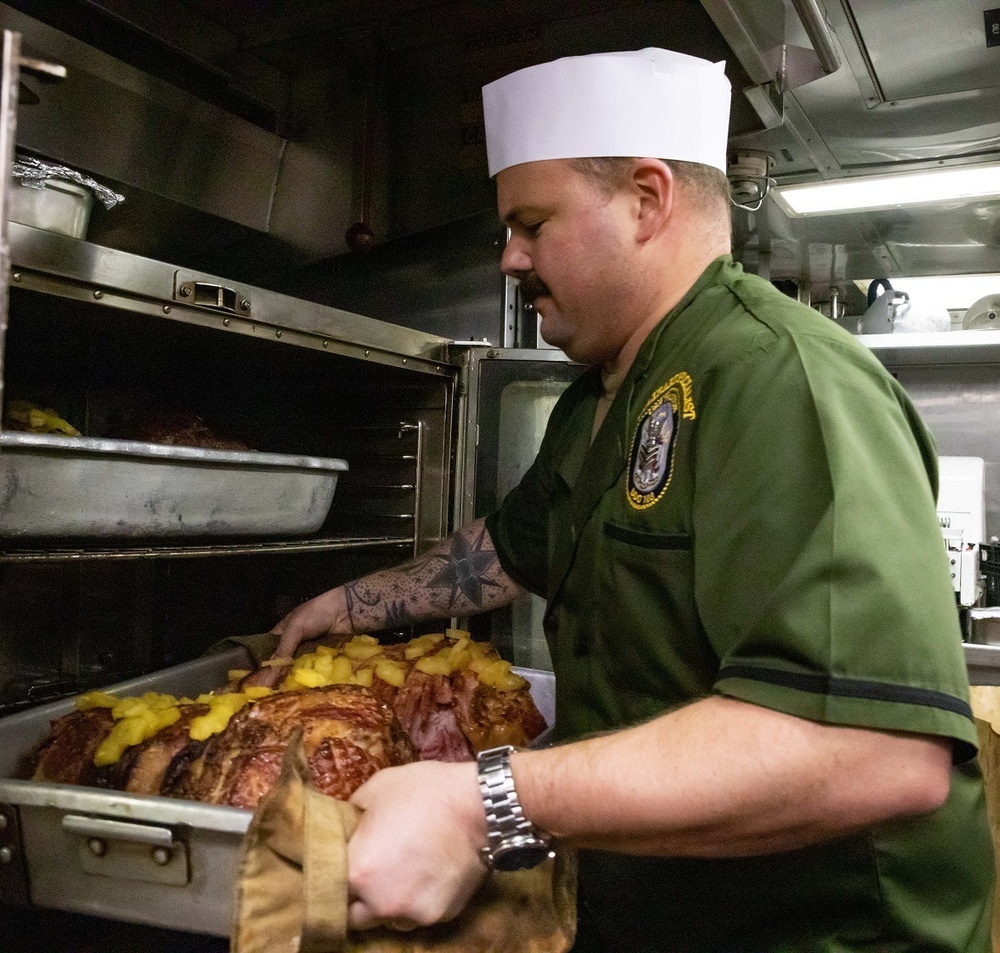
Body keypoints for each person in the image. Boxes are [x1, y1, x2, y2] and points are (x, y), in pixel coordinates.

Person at [261, 49, 995, 951]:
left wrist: (490, 803)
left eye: (531, 223)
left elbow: (877, 753)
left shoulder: (776, 378)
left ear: (648, 200)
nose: (508, 260)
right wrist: (344, 607)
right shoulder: (602, 394)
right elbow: (507, 552)